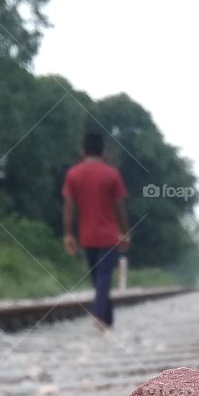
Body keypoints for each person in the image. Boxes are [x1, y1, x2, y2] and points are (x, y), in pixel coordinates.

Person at [62, 131, 130, 330]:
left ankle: (105, 317)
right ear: (103, 151)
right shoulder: (111, 174)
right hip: (108, 236)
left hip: (87, 236)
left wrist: (68, 234)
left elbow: (69, 207)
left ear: (83, 150)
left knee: (99, 277)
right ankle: (102, 316)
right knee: (103, 276)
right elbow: (119, 208)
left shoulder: (73, 174)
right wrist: (124, 232)